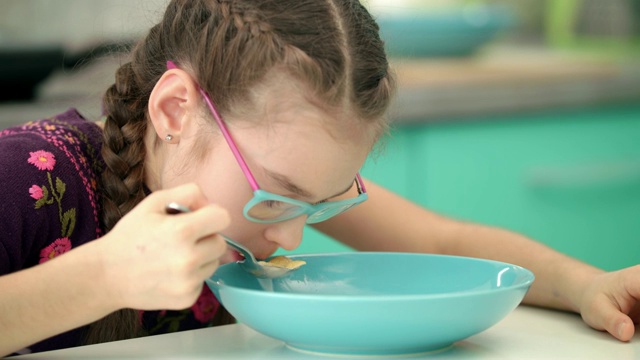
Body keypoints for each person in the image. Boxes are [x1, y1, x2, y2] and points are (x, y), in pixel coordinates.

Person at [0, 0, 638, 356]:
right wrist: (104, 276)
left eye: (323, 203)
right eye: (276, 194)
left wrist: (585, 284)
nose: (295, 238)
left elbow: (444, 243)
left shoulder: (273, 202)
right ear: (174, 110)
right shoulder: (30, 175)